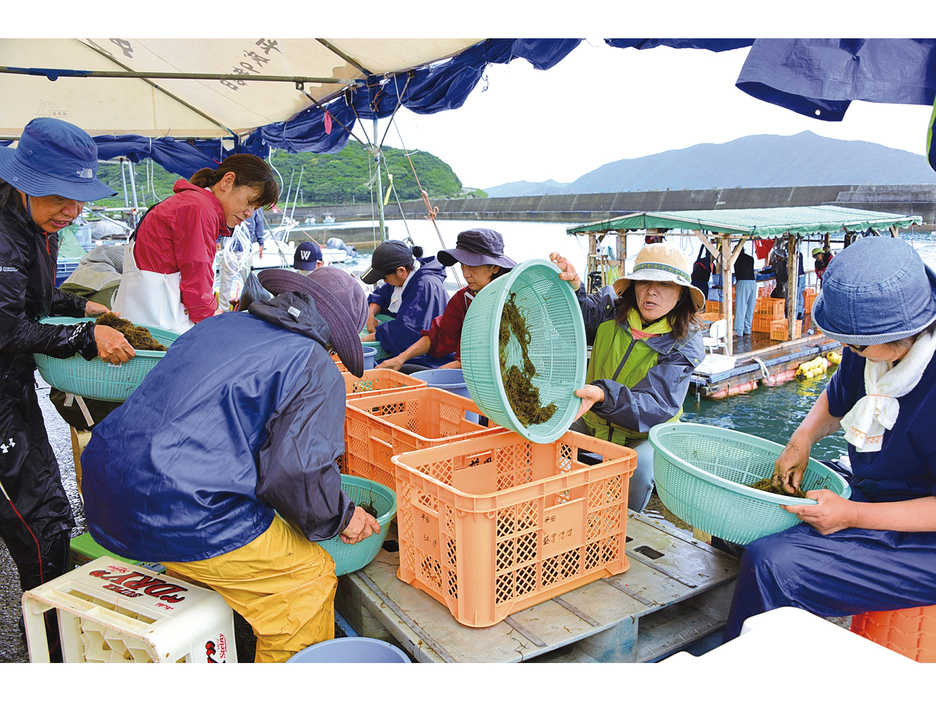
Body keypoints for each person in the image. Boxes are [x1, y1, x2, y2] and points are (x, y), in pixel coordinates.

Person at [81, 266, 381, 663]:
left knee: (203, 565)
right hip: (186, 509)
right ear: (334, 335)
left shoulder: (221, 324)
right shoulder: (313, 361)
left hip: (106, 485)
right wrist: (344, 517)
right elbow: (296, 473)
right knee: (306, 581)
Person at [722, 237, 936, 642]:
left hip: (924, 534)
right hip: (874, 488)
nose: (847, 350)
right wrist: (802, 439)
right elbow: (837, 400)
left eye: (855, 345)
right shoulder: (872, 337)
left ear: (901, 338)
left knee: (773, 563)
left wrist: (854, 516)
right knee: (746, 513)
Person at [0, 117, 135, 657]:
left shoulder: (33, 225)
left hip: (12, 389)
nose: (73, 211)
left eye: (79, 199)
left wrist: (77, 304)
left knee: (52, 507)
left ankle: (55, 630)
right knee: (37, 518)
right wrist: (86, 335)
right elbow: (7, 327)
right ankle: (49, 645)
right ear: (25, 180)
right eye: (62, 197)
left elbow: (27, 301)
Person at [550, 244, 706, 513]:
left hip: (643, 433)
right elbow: (578, 319)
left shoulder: (685, 343)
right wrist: (573, 289)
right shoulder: (611, 309)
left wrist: (603, 394)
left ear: (681, 294)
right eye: (644, 281)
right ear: (633, 286)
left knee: (641, 469)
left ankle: (623, 524)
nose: (652, 291)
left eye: (665, 285)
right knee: (545, 436)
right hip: (592, 418)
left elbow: (656, 404)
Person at [113, 154, 279, 333]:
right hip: (158, 325)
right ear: (227, 181)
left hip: (142, 313)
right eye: (249, 203)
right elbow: (197, 279)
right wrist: (211, 319)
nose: (249, 213)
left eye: (255, 209)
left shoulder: (192, 201)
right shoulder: (200, 208)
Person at [377, 228, 515, 373]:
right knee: (405, 369)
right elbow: (438, 335)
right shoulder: (463, 298)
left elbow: (483, 358)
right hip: (469, 372)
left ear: (495, 267)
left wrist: (437, 374)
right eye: (462, 265)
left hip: (501, 372)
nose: (466, 274)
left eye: (473, 266)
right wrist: (401, 358)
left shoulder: (514, 297)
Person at [360, 240, 452, 370]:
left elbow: (407, 331)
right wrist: (370, 315)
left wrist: (362, 340)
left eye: (385, 278)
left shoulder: (423, 286)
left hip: (432, 358)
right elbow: (381, 294)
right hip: (412, 347)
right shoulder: (407, 275)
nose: (384, 281)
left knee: (370, 366)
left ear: (401, 271)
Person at [216, 208, 265, 312]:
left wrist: (261, 242)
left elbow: (259, 223)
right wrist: (218, 239)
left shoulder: (256, 207)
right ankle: (223, 308)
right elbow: (222, 220)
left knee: (249, 280)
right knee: (226, 280)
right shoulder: (232, 203)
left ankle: (251, 306)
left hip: (246, 250)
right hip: (229, 249)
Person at [733, 246, 757, 337]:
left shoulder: (735, 259)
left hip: (743, 282)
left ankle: (738, 330)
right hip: (753, 283)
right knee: (750, 306)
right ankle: (747, 329)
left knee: (740, 307)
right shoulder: (750, 258)